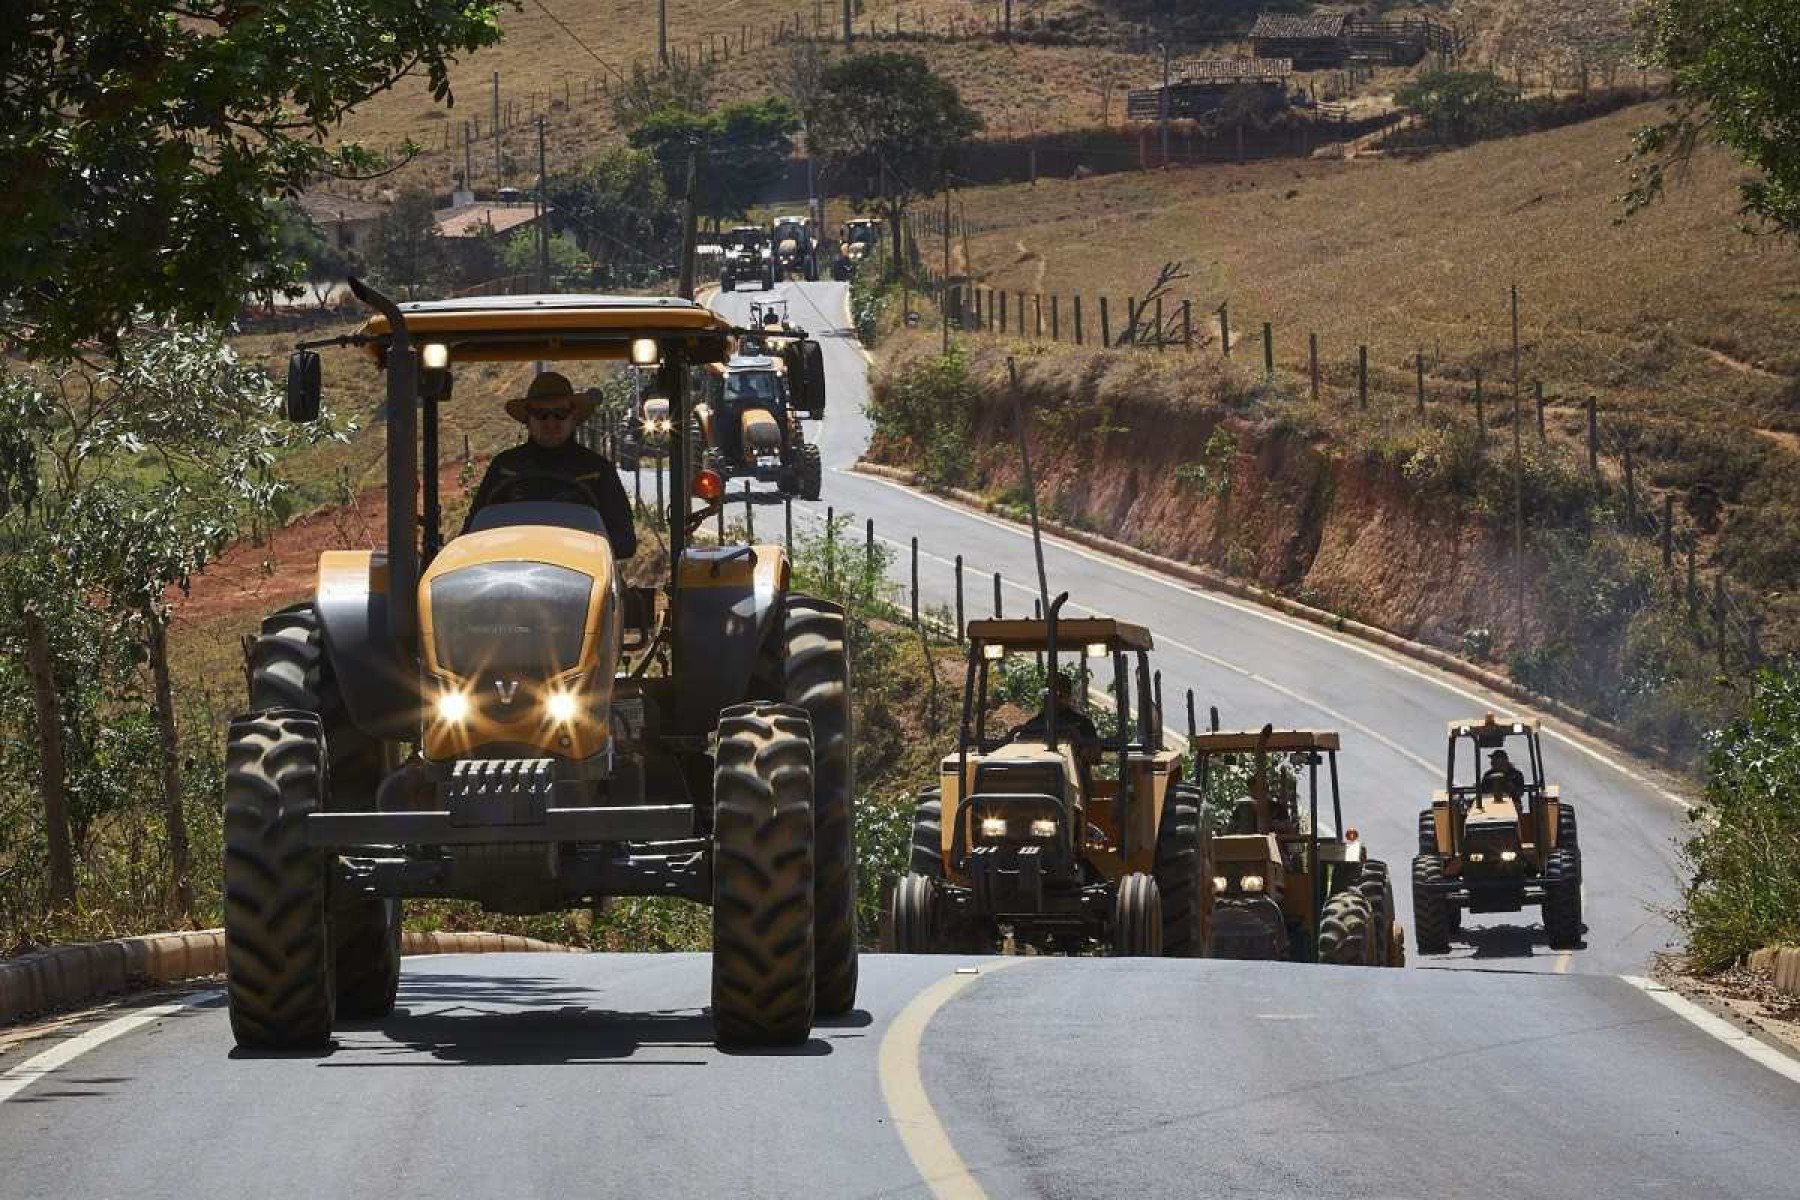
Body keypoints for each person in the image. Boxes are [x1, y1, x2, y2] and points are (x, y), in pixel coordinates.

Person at [463, 371, 637, 560]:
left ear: (573, 417)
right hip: (512, 570)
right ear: (528, 420)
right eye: (541, 414)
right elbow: (472, 533)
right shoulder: (504, 467)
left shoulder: (597, 470)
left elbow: (625, 541)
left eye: (560, 413)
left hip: (581, 571)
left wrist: (576, 545)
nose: (551, 422)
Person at [1013, 670, 1101, 750]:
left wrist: (1079, 745)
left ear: (1068, 696)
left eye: (1060, 695)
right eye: (1048, 694)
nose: (1054, 699)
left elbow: (1095, 756)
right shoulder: (1032, 725)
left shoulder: (1083, 724)